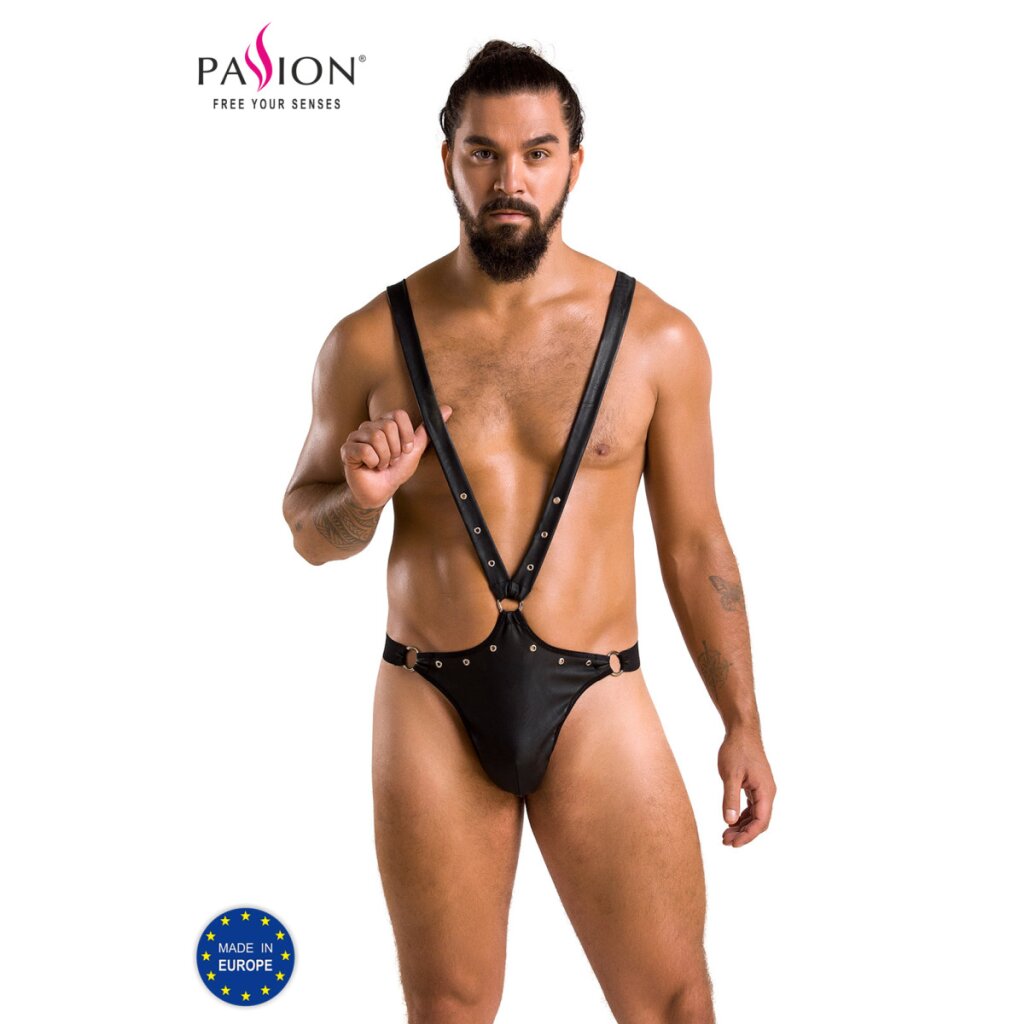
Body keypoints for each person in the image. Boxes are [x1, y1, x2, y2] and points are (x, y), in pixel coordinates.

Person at [282, 39, 775, 1024]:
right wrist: (363, 498)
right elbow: (309, 529)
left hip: (597, 690)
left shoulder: (656, 338)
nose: (510, 179)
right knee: (449, 1009)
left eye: (537, 153)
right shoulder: (366, 340)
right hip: (430, 693)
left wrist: (742, 720)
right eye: (484, 153)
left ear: (573, 165)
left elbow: (694, 546)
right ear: (448, 160)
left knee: (674, 1003)